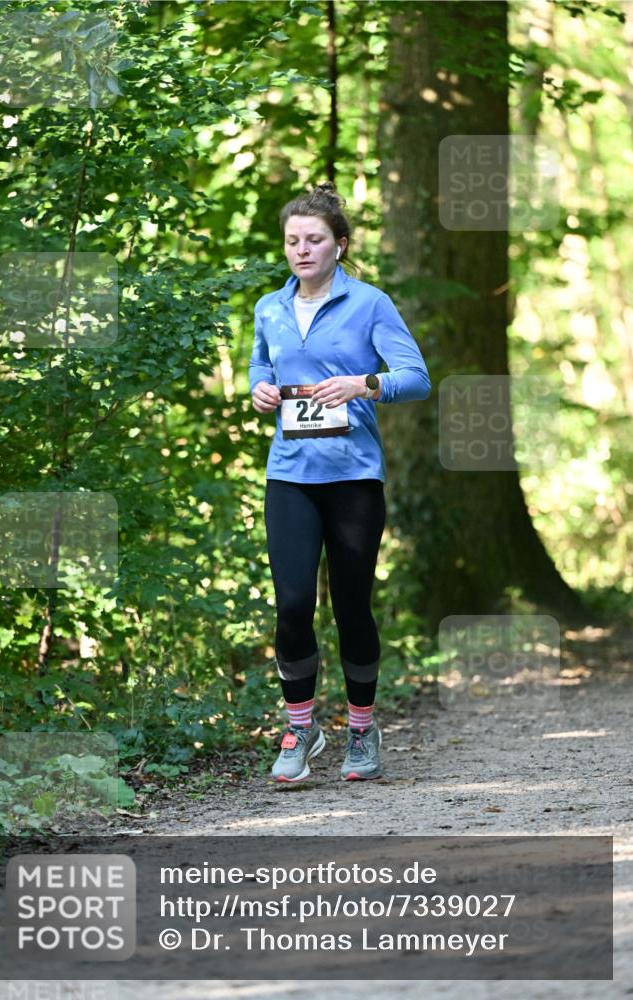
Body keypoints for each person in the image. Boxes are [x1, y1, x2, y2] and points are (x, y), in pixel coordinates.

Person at [249, 182, 431, 784]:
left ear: (339, 245)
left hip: (353, 475)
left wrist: (365, 384)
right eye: (293, 241)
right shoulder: (269, 308)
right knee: (294, 604)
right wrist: (260, 391)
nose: (302, 251)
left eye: (315, 240)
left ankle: (361, 728)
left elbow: (416, 377)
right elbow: (261, 367)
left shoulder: (369, 303)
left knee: (351, 605)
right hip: (290, 475)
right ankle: (301, 728)